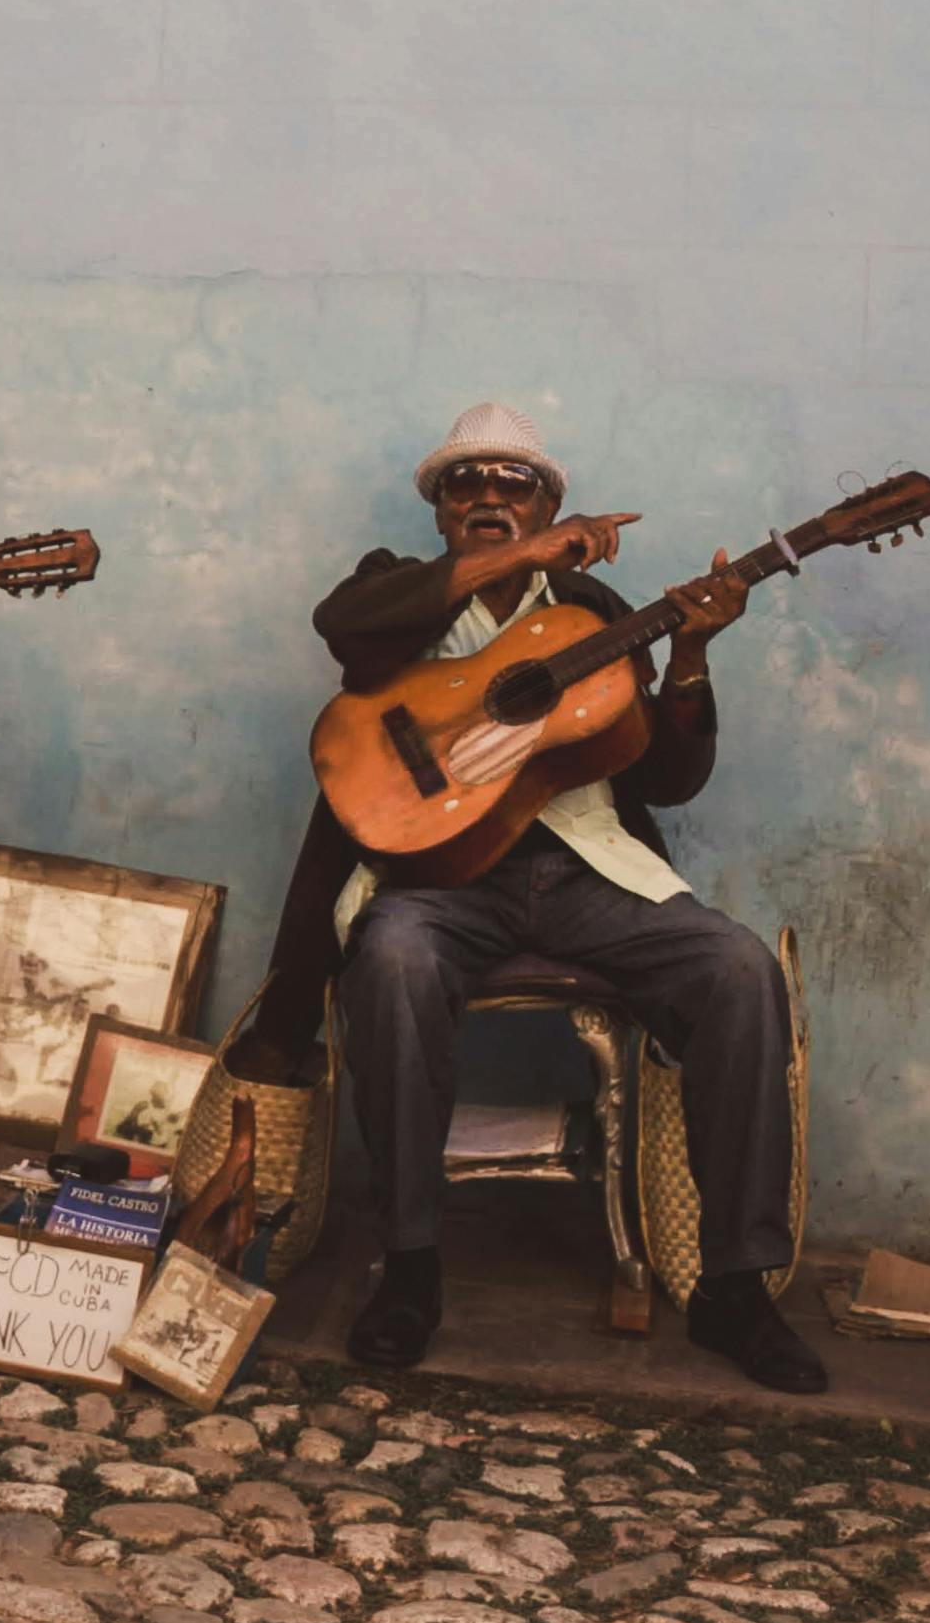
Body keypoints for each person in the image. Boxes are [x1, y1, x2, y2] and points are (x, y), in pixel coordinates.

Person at [239, 402, 822, 1390]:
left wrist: (687, 658)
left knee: (738, 968)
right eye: (463, 483)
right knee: (390, 955)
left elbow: (670, 777)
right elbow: (342, 625)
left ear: (551, 501)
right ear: (438, 515)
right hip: (440, 883)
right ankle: (411, 1263)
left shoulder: (598, 613)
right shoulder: (398, 596)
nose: (487, 495)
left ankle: (735, 1283)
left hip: (592, 871)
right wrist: (527, 554)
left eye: (514, 482)